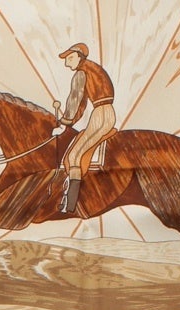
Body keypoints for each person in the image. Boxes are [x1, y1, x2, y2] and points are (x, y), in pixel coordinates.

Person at [54, 43, 116, 215]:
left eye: (70, 58)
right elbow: (81, 104)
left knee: (74, 156)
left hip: (100, 114)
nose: (67, 63)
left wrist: (65, 121)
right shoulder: (93, 69)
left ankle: (70, 205)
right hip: (106, 112)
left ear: (79, 57)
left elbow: (76, 99)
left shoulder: (81, 73)